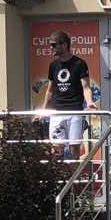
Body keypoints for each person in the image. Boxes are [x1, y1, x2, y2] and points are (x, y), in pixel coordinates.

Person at [42, 29, 93, 158]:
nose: (51, 48)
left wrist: (90, 102)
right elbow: (50, 90)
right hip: (57, 112)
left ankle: (75, 171)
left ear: (64, 45)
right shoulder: (53, 65)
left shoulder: (79, 64)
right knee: (56, 148)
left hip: (74, 111)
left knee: (74, 147)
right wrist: (43, 110)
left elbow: (86, 87)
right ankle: (57, 171)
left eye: (54, 45)